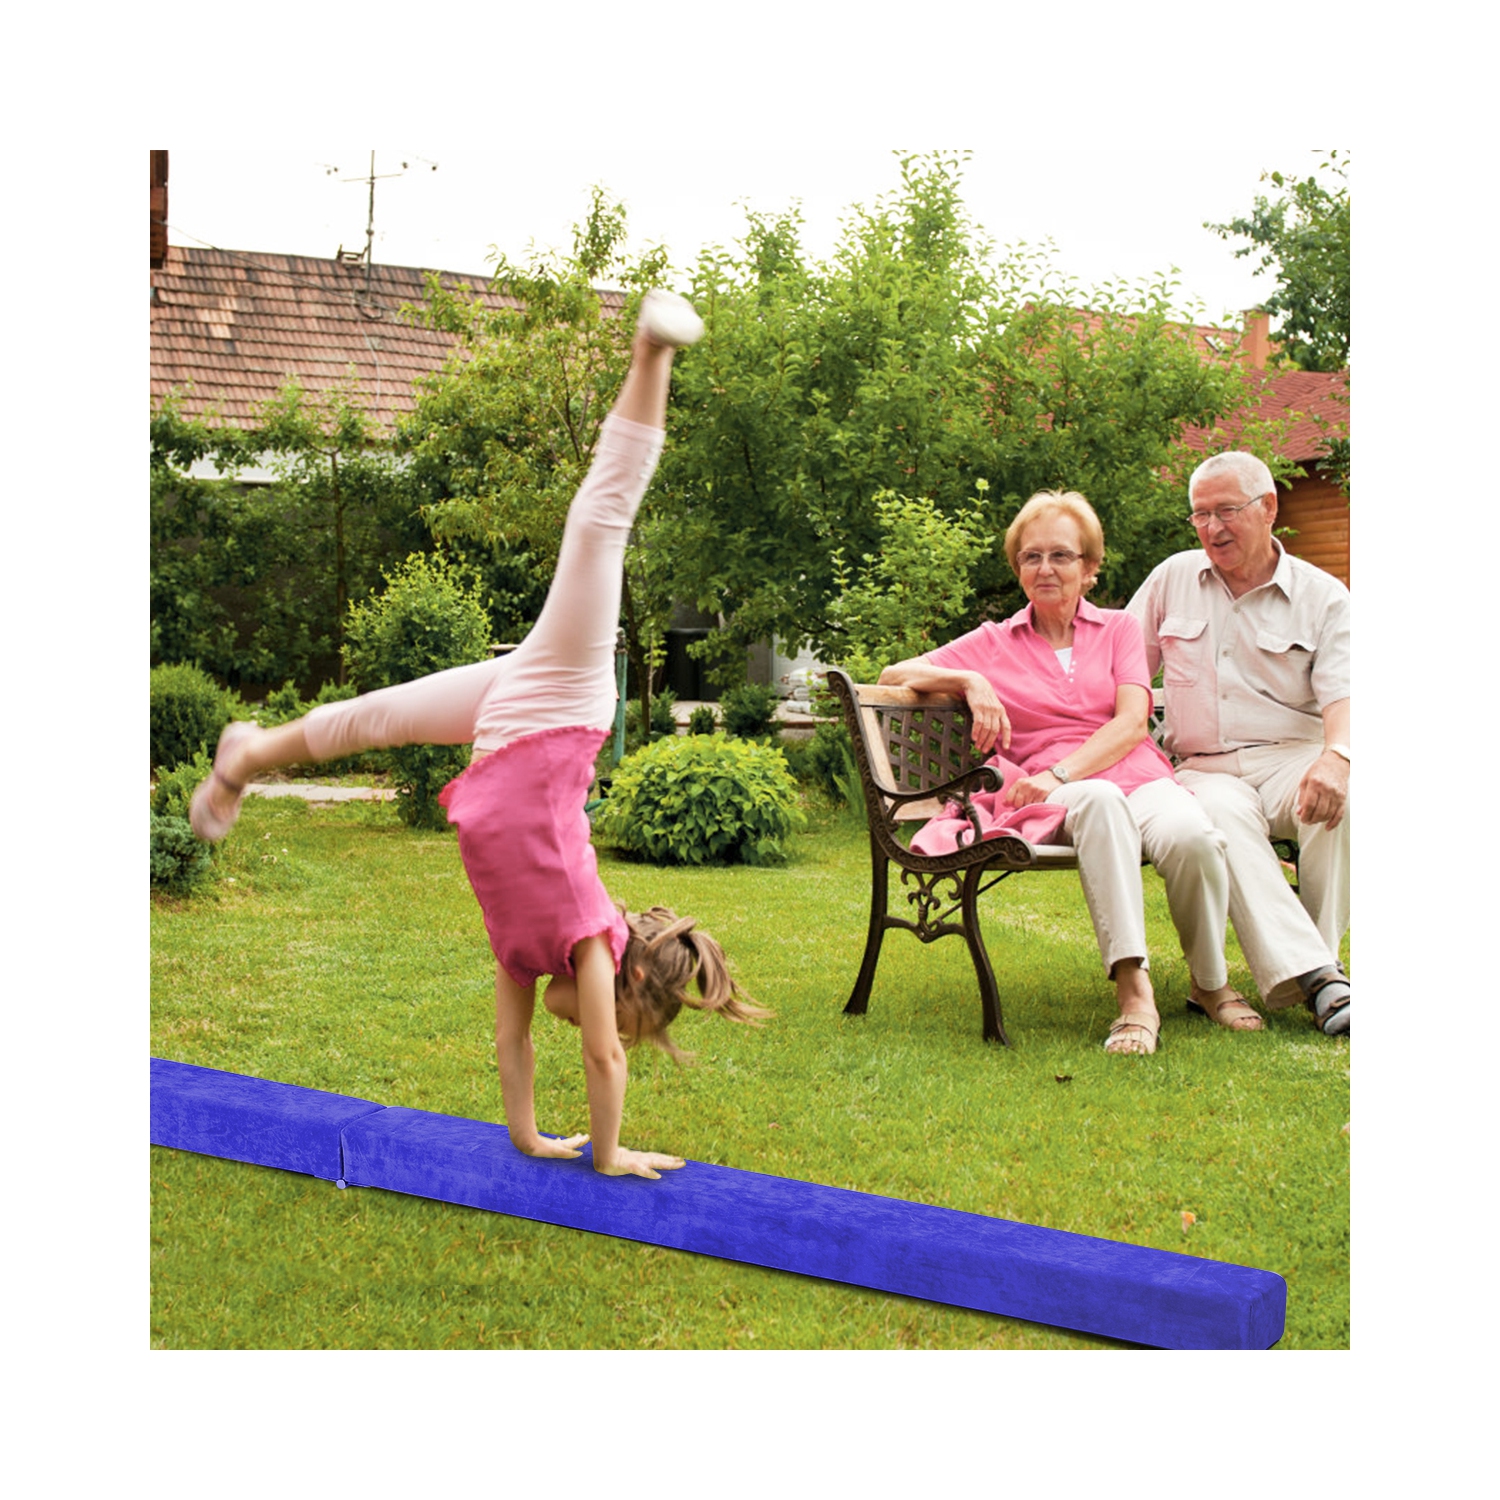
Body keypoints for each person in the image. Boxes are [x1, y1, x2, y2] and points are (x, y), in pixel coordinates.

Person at [190, 290, 768, 1177]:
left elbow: (513, 1047)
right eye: (615, 1014)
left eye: (599, 1021)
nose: (588, 1021)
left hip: (511, 730)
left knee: (373, 719)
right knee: (599, 525)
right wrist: (606, 1153)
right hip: (563, 705)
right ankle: (651, 351)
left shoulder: (524, 954)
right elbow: (602, 1059)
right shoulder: (585, 928)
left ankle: (247, 755)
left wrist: (530, 1137)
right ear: (628, 982)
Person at [879, 490, 1237, 1057]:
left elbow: (1132, 723)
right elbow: (894, 672)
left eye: (1062, 556)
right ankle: (1133, 992)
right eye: (1032, 556)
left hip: (1135, 779)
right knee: (1096, 800)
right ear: (1018, 567)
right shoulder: (994, 642)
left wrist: (1061, 773)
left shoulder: (1119, 629)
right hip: (1065, 801)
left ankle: (1210, 983)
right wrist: (970, 681)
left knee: (1193, 837)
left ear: (1089, 569)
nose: (1045, 568)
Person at [1127, 450, 1350, 1037]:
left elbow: (1346, 695)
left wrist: (1337, 758)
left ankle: (1314, 968)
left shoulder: (1323, 597)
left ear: (1269, 506)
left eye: (1226, 511)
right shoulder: (1173, 577)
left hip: (1290, 756)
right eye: (1199, 515)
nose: (1211, 529)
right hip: (1205, 766)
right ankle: (1325, 982)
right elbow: (1120, 672)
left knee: (1343, 799)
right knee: (1222, 816)